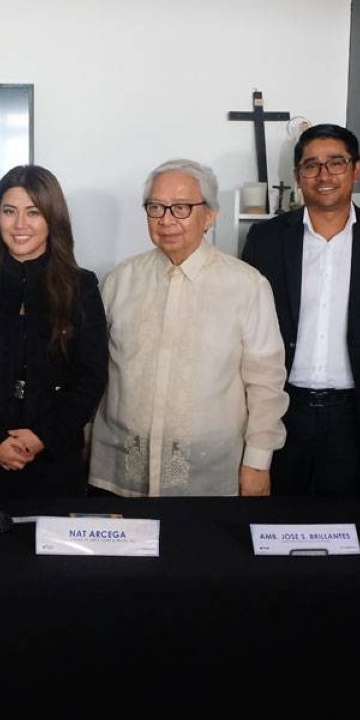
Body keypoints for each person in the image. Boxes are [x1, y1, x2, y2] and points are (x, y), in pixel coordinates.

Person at [88, 159, 288, 497]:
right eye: (155, 207)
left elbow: (266, 382)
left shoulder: (246, 285)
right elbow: (95, 370)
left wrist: (257, 462)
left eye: (181, 208)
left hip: (207, 473)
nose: (166, 220)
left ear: (209, 215)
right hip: (121, 468)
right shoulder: (121, 280)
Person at [242, 124, 360, 507]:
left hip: (356, 414)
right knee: (272, 523)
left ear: (356, 169)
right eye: (311, 165)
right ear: (297, 176)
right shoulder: (266, 239)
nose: (323, 175)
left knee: (351, 529)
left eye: (336, 163)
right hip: (283, 409)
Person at [0, 165, 107, 499]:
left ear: (52, 218)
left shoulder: (81, 286)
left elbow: (90, 376)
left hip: (54, 460)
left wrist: (41, 437)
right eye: (9, 212)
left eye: (33, 212)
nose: (19, 225)